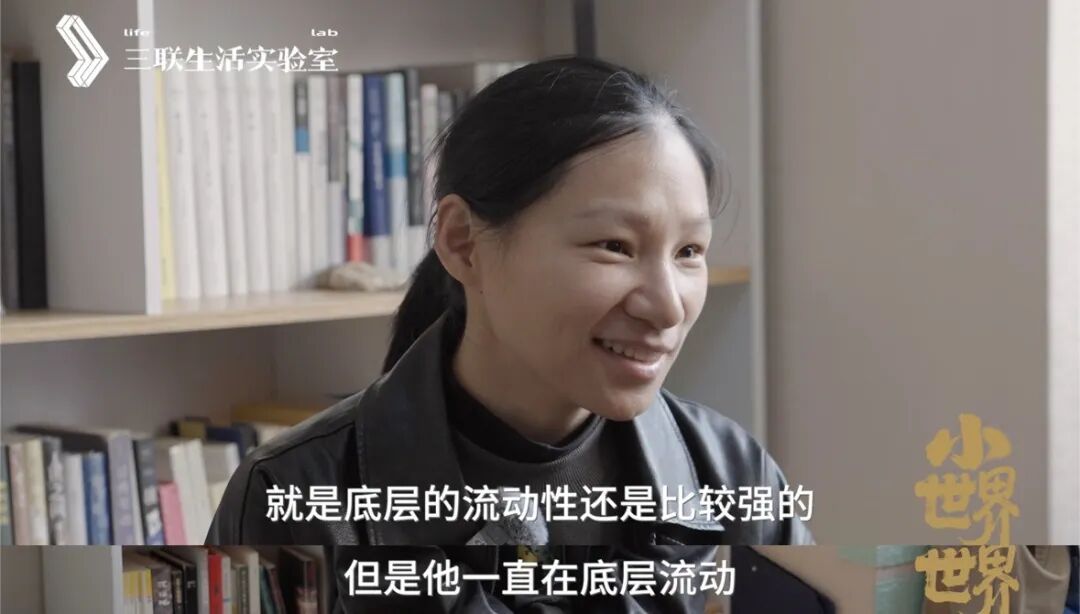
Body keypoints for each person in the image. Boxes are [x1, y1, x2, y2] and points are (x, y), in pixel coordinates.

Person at [207, 56, 813, 552]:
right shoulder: (296, 495)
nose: (668, 308)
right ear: (463, 243)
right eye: (614, 246)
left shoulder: (733, 478)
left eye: (688, 252)